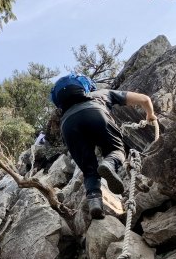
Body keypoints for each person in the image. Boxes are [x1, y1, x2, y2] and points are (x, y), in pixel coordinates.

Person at [54, 80, 157, 219]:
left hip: (68, 124)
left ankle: (95, 203)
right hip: (96, 113)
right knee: (117, 151)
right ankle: (109, 163)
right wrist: (150, 115)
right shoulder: (102, 93)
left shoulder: (65, 110)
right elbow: (144, 99)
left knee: (89, 170)